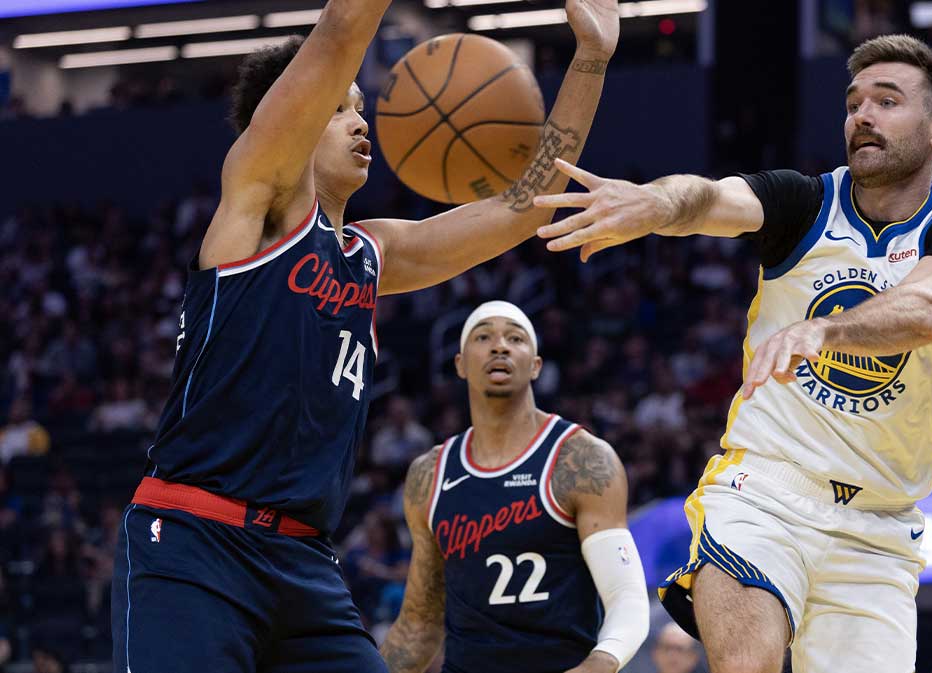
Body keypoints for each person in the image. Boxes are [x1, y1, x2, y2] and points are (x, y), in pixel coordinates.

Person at [110, 1, 620, 671]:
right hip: (195, 546)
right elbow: (341, 28)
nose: (360, 121)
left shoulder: (373, 254)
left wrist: (591, 55)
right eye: (339, 107)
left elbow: (527, 204)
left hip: (303, 565)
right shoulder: (258, 204)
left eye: (360, 106)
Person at [533, 34, 932, 673]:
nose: (862, 115)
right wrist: (654, 203)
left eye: (887, 101)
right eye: (854, 102)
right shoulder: (803, 203)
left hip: (880, 531)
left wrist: (826, 332)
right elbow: (708, 197)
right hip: (765, 494)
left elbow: (929, 309)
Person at [380, 301, 649, 673]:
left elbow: (626, 597)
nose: (499, 346)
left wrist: (599, 664)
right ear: (459, 363)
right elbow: (419, 626)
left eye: (515, 338)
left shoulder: (579, 460)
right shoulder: (430, 475)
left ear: (536, 365)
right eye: (483, 336)